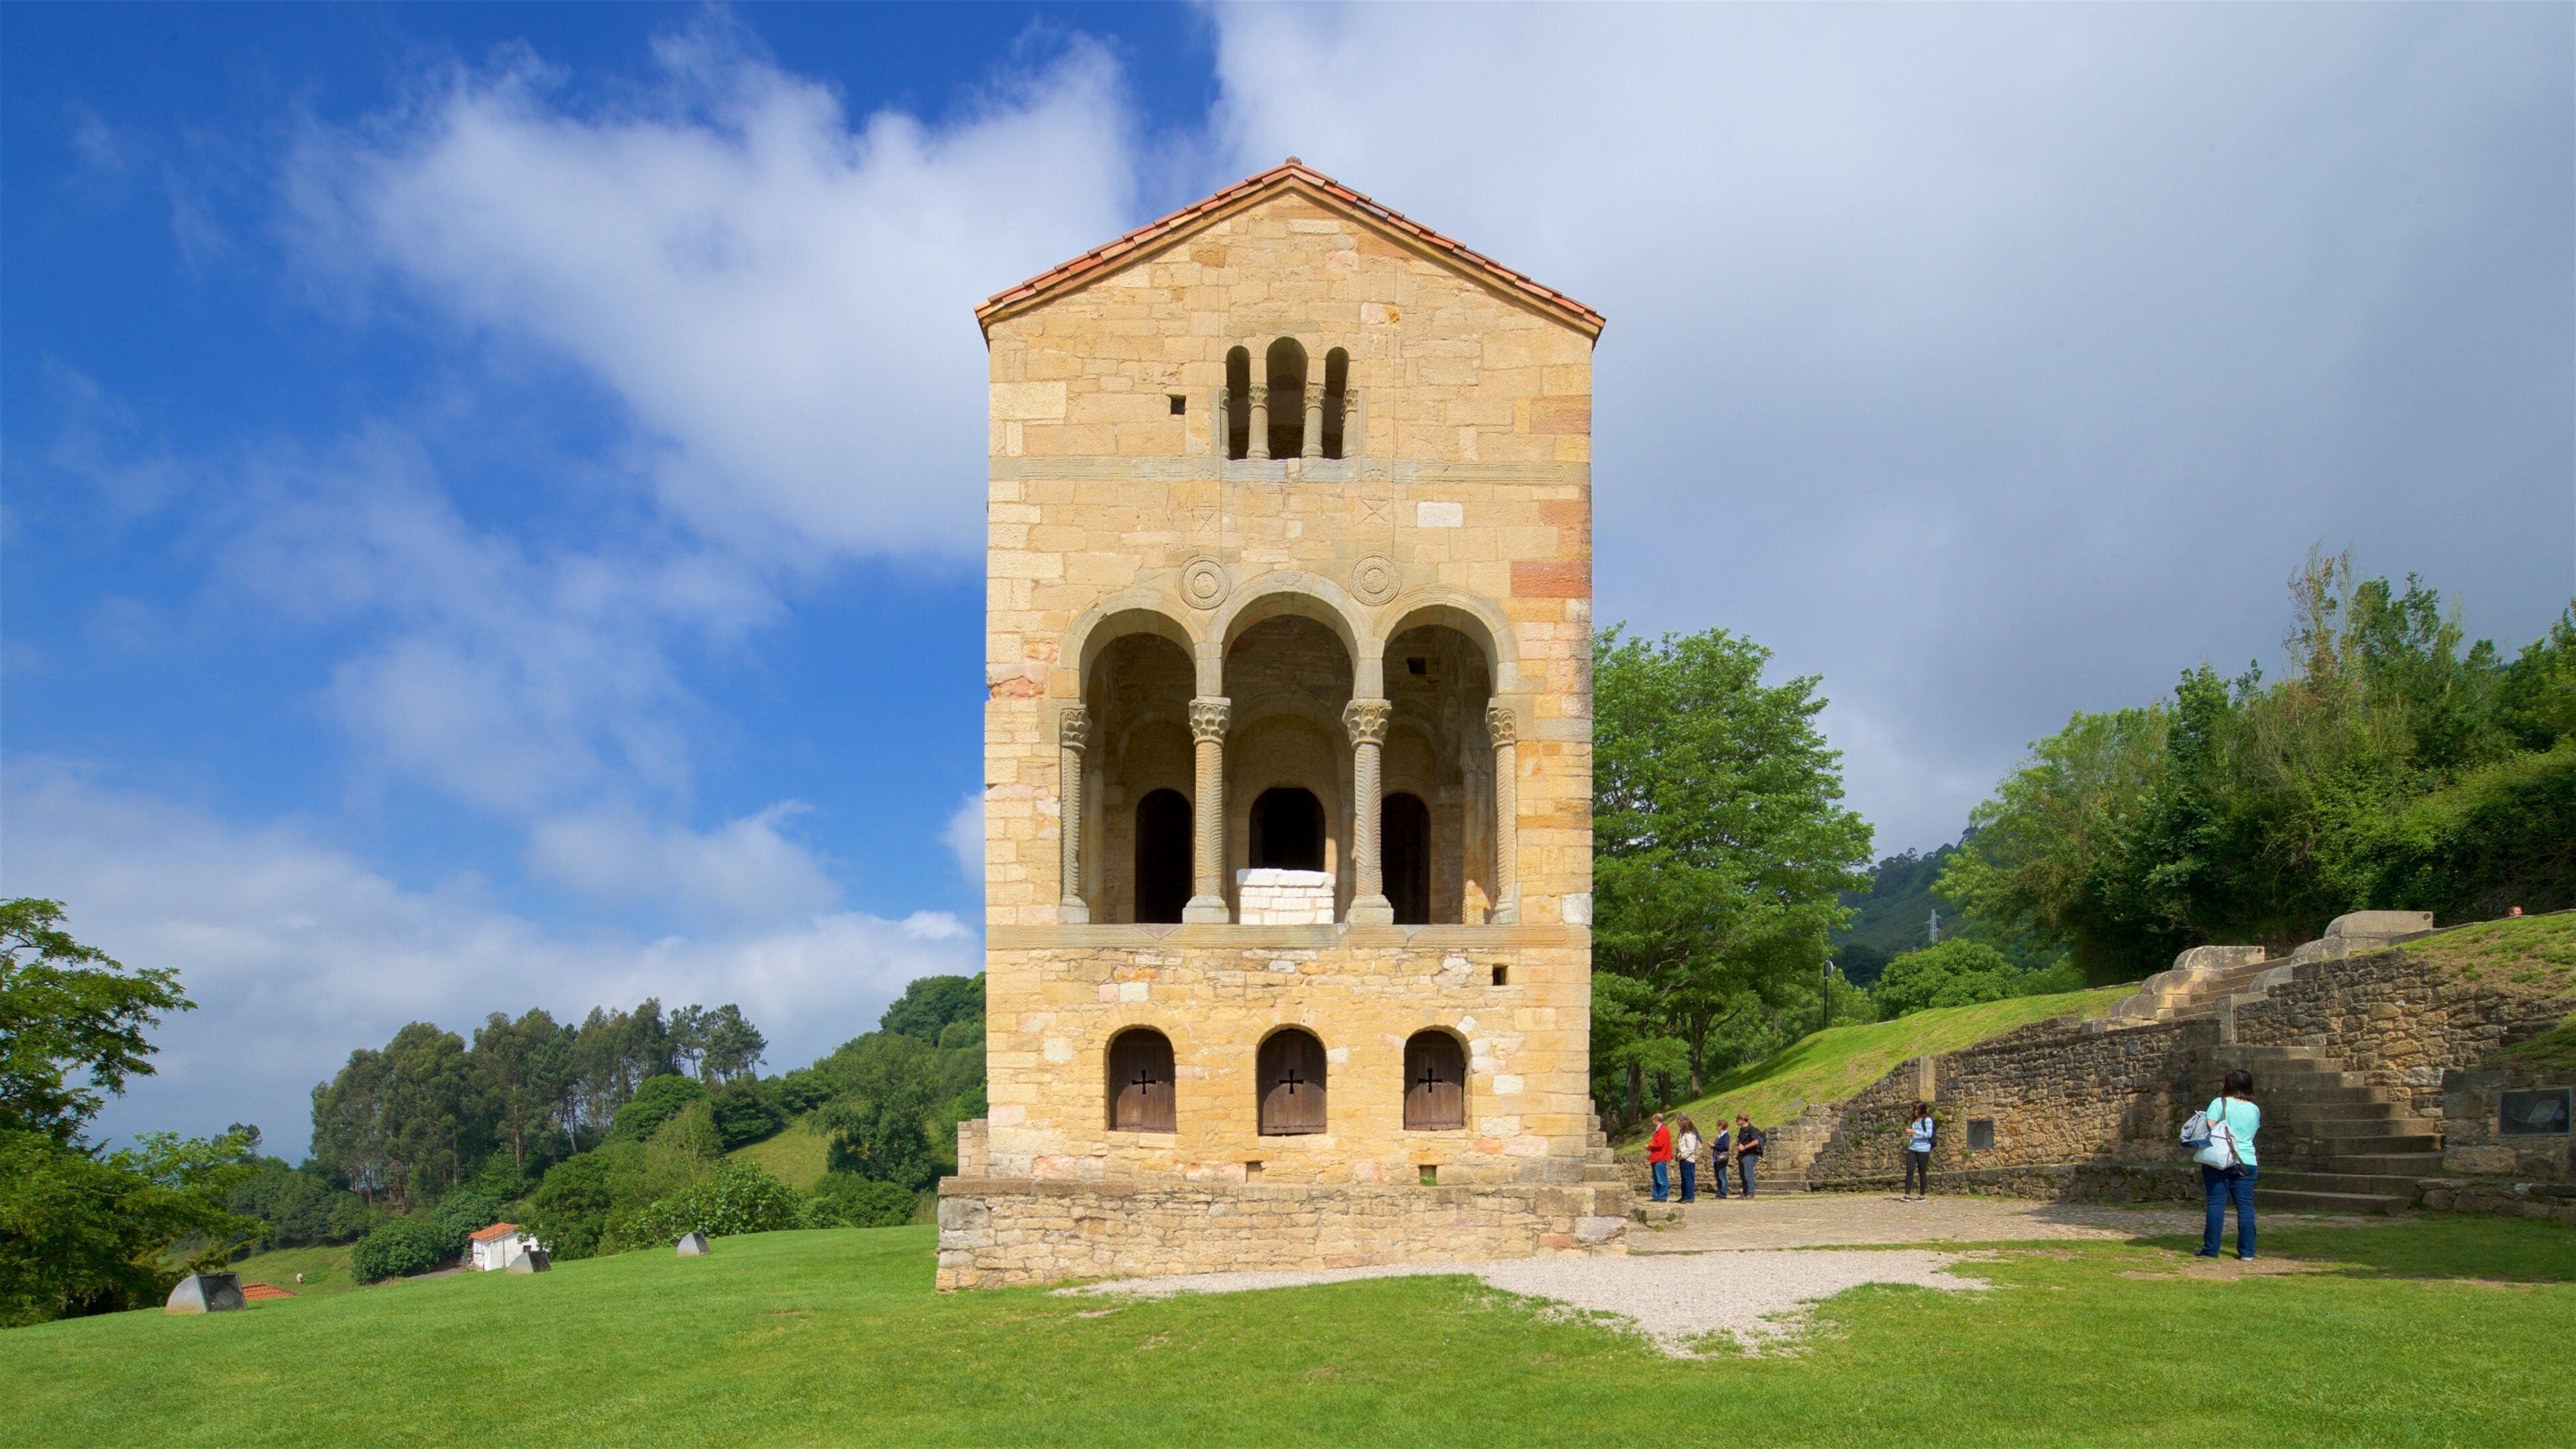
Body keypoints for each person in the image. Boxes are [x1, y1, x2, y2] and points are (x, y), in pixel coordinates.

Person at [2198, 1069, 2261, 1260]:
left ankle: (2211, 1249)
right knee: (2245, 1205)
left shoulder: (2220, 1103)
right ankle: (2247, 1252)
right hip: (2247, 1160)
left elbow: (2207, 1127)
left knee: (2217, 1204)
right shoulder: (2254, 1109)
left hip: (2220, 1159)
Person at [1904, 1102, 1936, 1201]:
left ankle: (1922, 1196)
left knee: (1922, 1172)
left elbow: (1929, 1135)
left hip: (1923, 1149)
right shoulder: (1914, 1120)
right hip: (1913, 1148)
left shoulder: (1927, 1120)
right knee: (1909, 1171)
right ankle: (1907, 1195)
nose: (1910, 1110)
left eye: (1912, 1108)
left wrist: (1914, 1132)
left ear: (1918, 1109)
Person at [1734, 1114, 1765, 1197]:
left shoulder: (1751, 1129)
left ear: (1743, 1120)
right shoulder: (1742, 1130)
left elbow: (1756, 1141)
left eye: (1738, 1119)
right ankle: (1745, 1192)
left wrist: (1745, 1147)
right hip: (1742, 1155)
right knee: (1743, 1176)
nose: (1736, 1121)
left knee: (1748, 1175)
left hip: (1749, 1155)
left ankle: (1750, 1193)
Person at [1646, 1112, 1673, 1202]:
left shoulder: (1663, 1130)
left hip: (1660, 1157)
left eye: (1653, 1120)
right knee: (1655, 1179)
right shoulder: (1660, 1130)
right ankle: (1656, 1195)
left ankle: (1663, 1196)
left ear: (1656, 1120)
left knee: (1661, 1178)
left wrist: (1649, 1146)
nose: (1653, 1122)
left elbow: (1659, 1144)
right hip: (1656, 1157)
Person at [1674, 1115, 1701, 1203]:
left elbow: (1691, 1148)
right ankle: (1685, 1196)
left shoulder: (1689, 1136)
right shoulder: (1685, 1135)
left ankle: (1689, 1197)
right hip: (1684, 1159)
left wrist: (1682, 1155)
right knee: (1684, 1179)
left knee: (1688, 1179)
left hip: (1687, 1160)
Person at [1707, 1118, 1731, 1198]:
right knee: (1718, 1177)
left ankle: (1723, 1193)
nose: (1716, 1128)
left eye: (1717, 1126)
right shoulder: (1719, 1136)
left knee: (1722, 1176)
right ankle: (1719, 1193)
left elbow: (1726, 1147)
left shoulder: (1726, 1135)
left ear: (1720, 1127)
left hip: (1722, 1158)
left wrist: (1714, 1146)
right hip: (1716, 1158)